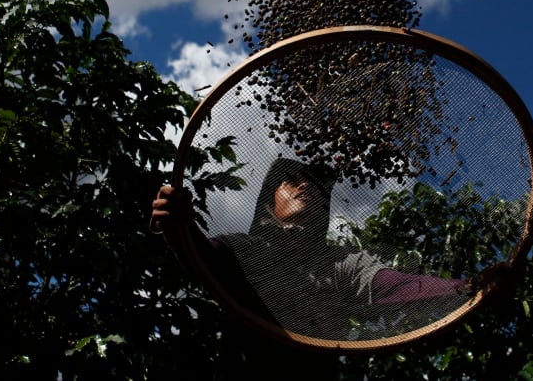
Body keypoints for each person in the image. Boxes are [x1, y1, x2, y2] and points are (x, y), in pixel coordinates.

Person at [152, 157, 471, 377]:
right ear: (269, 203)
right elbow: (203, 256)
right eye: (290, 182)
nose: (304, 187)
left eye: (314, 187)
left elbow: (395, 284)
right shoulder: (243, 247)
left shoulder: (341, 263)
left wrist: (468, 287)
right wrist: (179, 223)